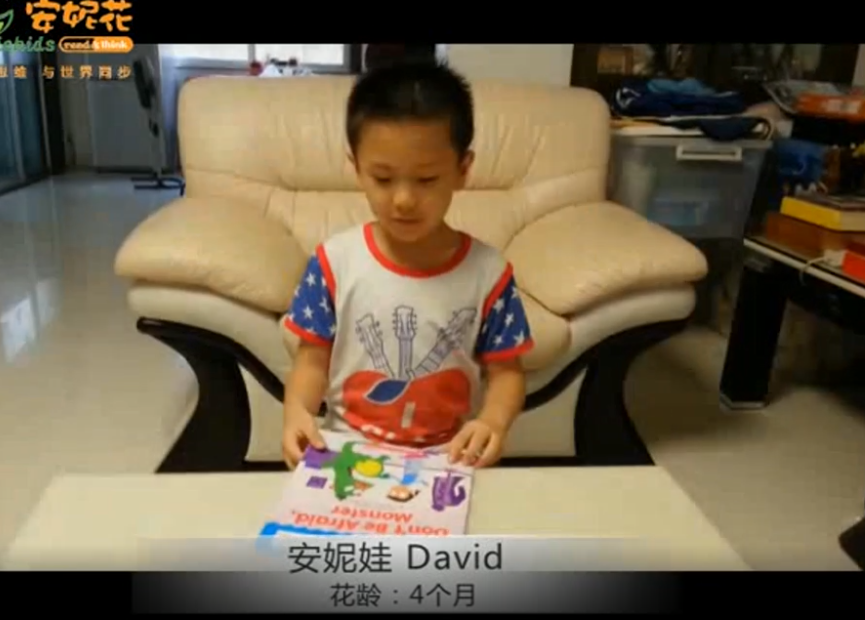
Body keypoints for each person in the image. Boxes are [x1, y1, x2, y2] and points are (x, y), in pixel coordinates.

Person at [281, 60, 534, 471]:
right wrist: (297, 412)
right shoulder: (332, 262)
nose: (403, 200)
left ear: (463, 170)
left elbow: (507, 373)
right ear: (356, 168)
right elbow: (311, 361)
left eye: (427, 179)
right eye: (383, 179)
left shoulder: (489, 274)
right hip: (346, 451)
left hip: (450, 458)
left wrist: (493, 422)